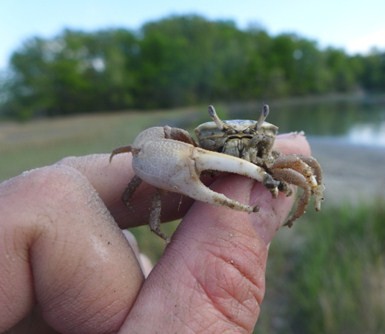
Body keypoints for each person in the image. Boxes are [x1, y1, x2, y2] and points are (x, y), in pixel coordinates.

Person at [0, 133, 311, 333]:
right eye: (222, 134)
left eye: (251, 136)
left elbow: (309, 169)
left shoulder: (276, 156)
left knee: (305, 171)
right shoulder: (186, 141)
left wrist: (313, 192)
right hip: (194, 168)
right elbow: (146, 149)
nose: (235, 142)